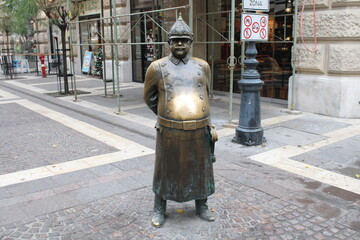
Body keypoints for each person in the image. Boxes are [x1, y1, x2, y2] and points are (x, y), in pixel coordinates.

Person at [143, 14, 217, 228]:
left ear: (191, 42)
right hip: (169, 130)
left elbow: (206, 92)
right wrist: (166, 115)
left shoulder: (202, 66)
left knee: (201, 170)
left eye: (184, 40)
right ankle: (159, 207)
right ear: (169, 43)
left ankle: (202, 205)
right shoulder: (157, 68)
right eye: (175, 40)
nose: (180, 44)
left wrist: (207, 123)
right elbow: (149, 98)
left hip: (199, 129)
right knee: (165, 170)